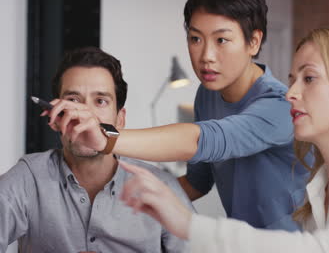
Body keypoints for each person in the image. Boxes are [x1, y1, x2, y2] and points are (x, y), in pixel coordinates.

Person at [119, 24, 329, 253]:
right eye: (292, 79)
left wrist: (186, 224)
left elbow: (321, 250)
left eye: (309, 78)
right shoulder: (322, 184)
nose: (291, 93)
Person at [47, 0, 311, 231]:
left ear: (253, 41)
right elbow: (198, 181)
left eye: (221, 40)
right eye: (196, 38)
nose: (206, 55)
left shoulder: (280, 106)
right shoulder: (207, 95)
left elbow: (204, 139)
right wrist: (121, 210)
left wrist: (105, 138)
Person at [0, 47, 193, 253]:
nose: (85, 115)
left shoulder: (160, 186)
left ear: (121, 119)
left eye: (100, 101)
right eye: (73, 100)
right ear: (54, 117)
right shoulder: (26, 179)